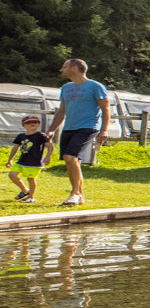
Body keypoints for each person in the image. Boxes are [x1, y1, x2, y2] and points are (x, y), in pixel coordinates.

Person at [46, 58, 109, 207]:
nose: (61, 70)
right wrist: (51, 130)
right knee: (73, 161)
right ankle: (80, 195)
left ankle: (74, 194)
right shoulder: (66, 88)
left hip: (88, 126)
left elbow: (106, 109)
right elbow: (61, 111)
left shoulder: (95, 86)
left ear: (74, 68)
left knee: (70, 157)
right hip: (69, 128)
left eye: (64, 67)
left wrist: (104, 130)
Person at [7, 115, 52, 204]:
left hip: (34, 162)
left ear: (38, 124)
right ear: (24, 125)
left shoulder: (40, 135)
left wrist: (48, 156)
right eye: (28, 122)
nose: (32, 124)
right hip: (21, 161)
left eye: (35, 122)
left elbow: (49, 146)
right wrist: (10, 160)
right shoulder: (21, 136)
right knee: (12, 174)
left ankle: (31, 197)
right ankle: (24, 190)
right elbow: (15, 148)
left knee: (30, 179)